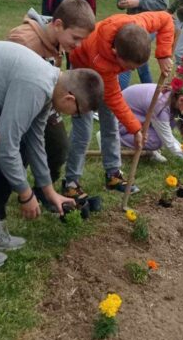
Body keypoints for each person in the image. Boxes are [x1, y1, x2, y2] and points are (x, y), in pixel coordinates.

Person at [0, 41, 104, 222]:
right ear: (70, 99)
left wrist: (49, 191)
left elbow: (36, 139)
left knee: (20, 151)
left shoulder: (50, 85)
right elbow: (5, 146)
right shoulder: (37, 86)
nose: (74, 116)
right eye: (78, 113)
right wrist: (26, 194)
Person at [63, 11, 175, 199]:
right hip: (82, 73)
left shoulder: (137, 24)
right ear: (116, 53)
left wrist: (163, 54)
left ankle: (113, 175)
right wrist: (135, 129)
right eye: (130, 68)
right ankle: (71, 183)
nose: (132, 71)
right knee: (83, 130)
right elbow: (114, 98)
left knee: (111, 124)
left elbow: (166, 19)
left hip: (106, 71)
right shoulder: (101, 60)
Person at [7, 0, 96, 197]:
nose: (79, 45)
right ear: (57, 25)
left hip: (43, 103)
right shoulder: (24, 41)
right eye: (76, 38)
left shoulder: (59, 39)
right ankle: (5, 204)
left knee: (59, 148)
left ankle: (44, 191)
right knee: (17, 151)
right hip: (16, 104)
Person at [117, 83, 183, 178]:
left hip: (141, 118)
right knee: (157, 141)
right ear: (182, 100)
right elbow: (170, 143)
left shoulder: (176, 100)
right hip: (120, 119)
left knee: (160, 136)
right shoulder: (161, 105)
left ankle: (149, 150)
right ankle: (115, 138)